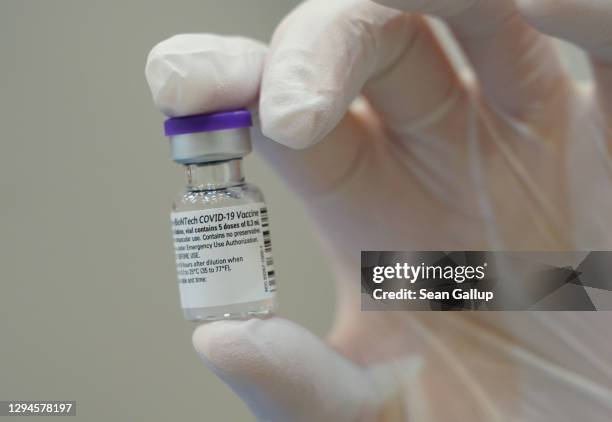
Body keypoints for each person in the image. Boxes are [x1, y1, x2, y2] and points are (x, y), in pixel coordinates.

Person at [145, 0, 612, 420]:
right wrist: (569, 281)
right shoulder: (403, 280)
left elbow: (569, 283)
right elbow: (420, 282)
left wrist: (586, 282)